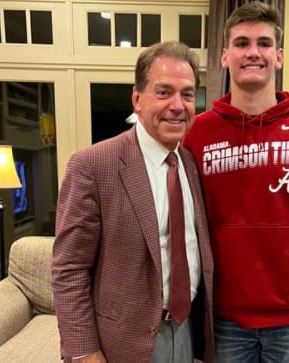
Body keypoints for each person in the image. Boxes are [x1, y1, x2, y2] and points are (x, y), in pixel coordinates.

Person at [182, 2, 289, 362]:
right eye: (241, 43)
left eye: (263, 43)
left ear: (279, 56)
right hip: (224, 318)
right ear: (225, 56)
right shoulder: (198, 132)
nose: (253, 52)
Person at [52, 41, 214, 363]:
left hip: (184, 331)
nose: (178, 105)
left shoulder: (190, 164)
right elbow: (68, 269)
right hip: (120, 343)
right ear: (137, 99)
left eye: (187, 93)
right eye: (164, 92)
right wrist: (85, 352)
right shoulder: (93, 165)